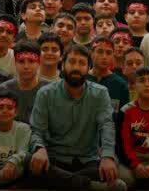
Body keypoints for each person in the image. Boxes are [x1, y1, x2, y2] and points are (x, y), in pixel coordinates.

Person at [27, 44, 122, 191]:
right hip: (54, 158)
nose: (76, 67)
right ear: (62, 65)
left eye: (82, 63)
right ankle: (87, 185)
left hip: (87, 160)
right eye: (71, 62)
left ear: (88, 68)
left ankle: (67, 183)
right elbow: (37, 130)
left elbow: (107, 126)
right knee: (30, 161)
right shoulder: (46, 93)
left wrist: (107, 156)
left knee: (110, 167)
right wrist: (39, 148)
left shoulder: (100, 93)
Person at [0, 40, 50, 124]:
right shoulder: (3, 90)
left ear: (39, 62)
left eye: (31, 61)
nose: (26, 66)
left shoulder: (50, 90)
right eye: (21, 61)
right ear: (15, 63)